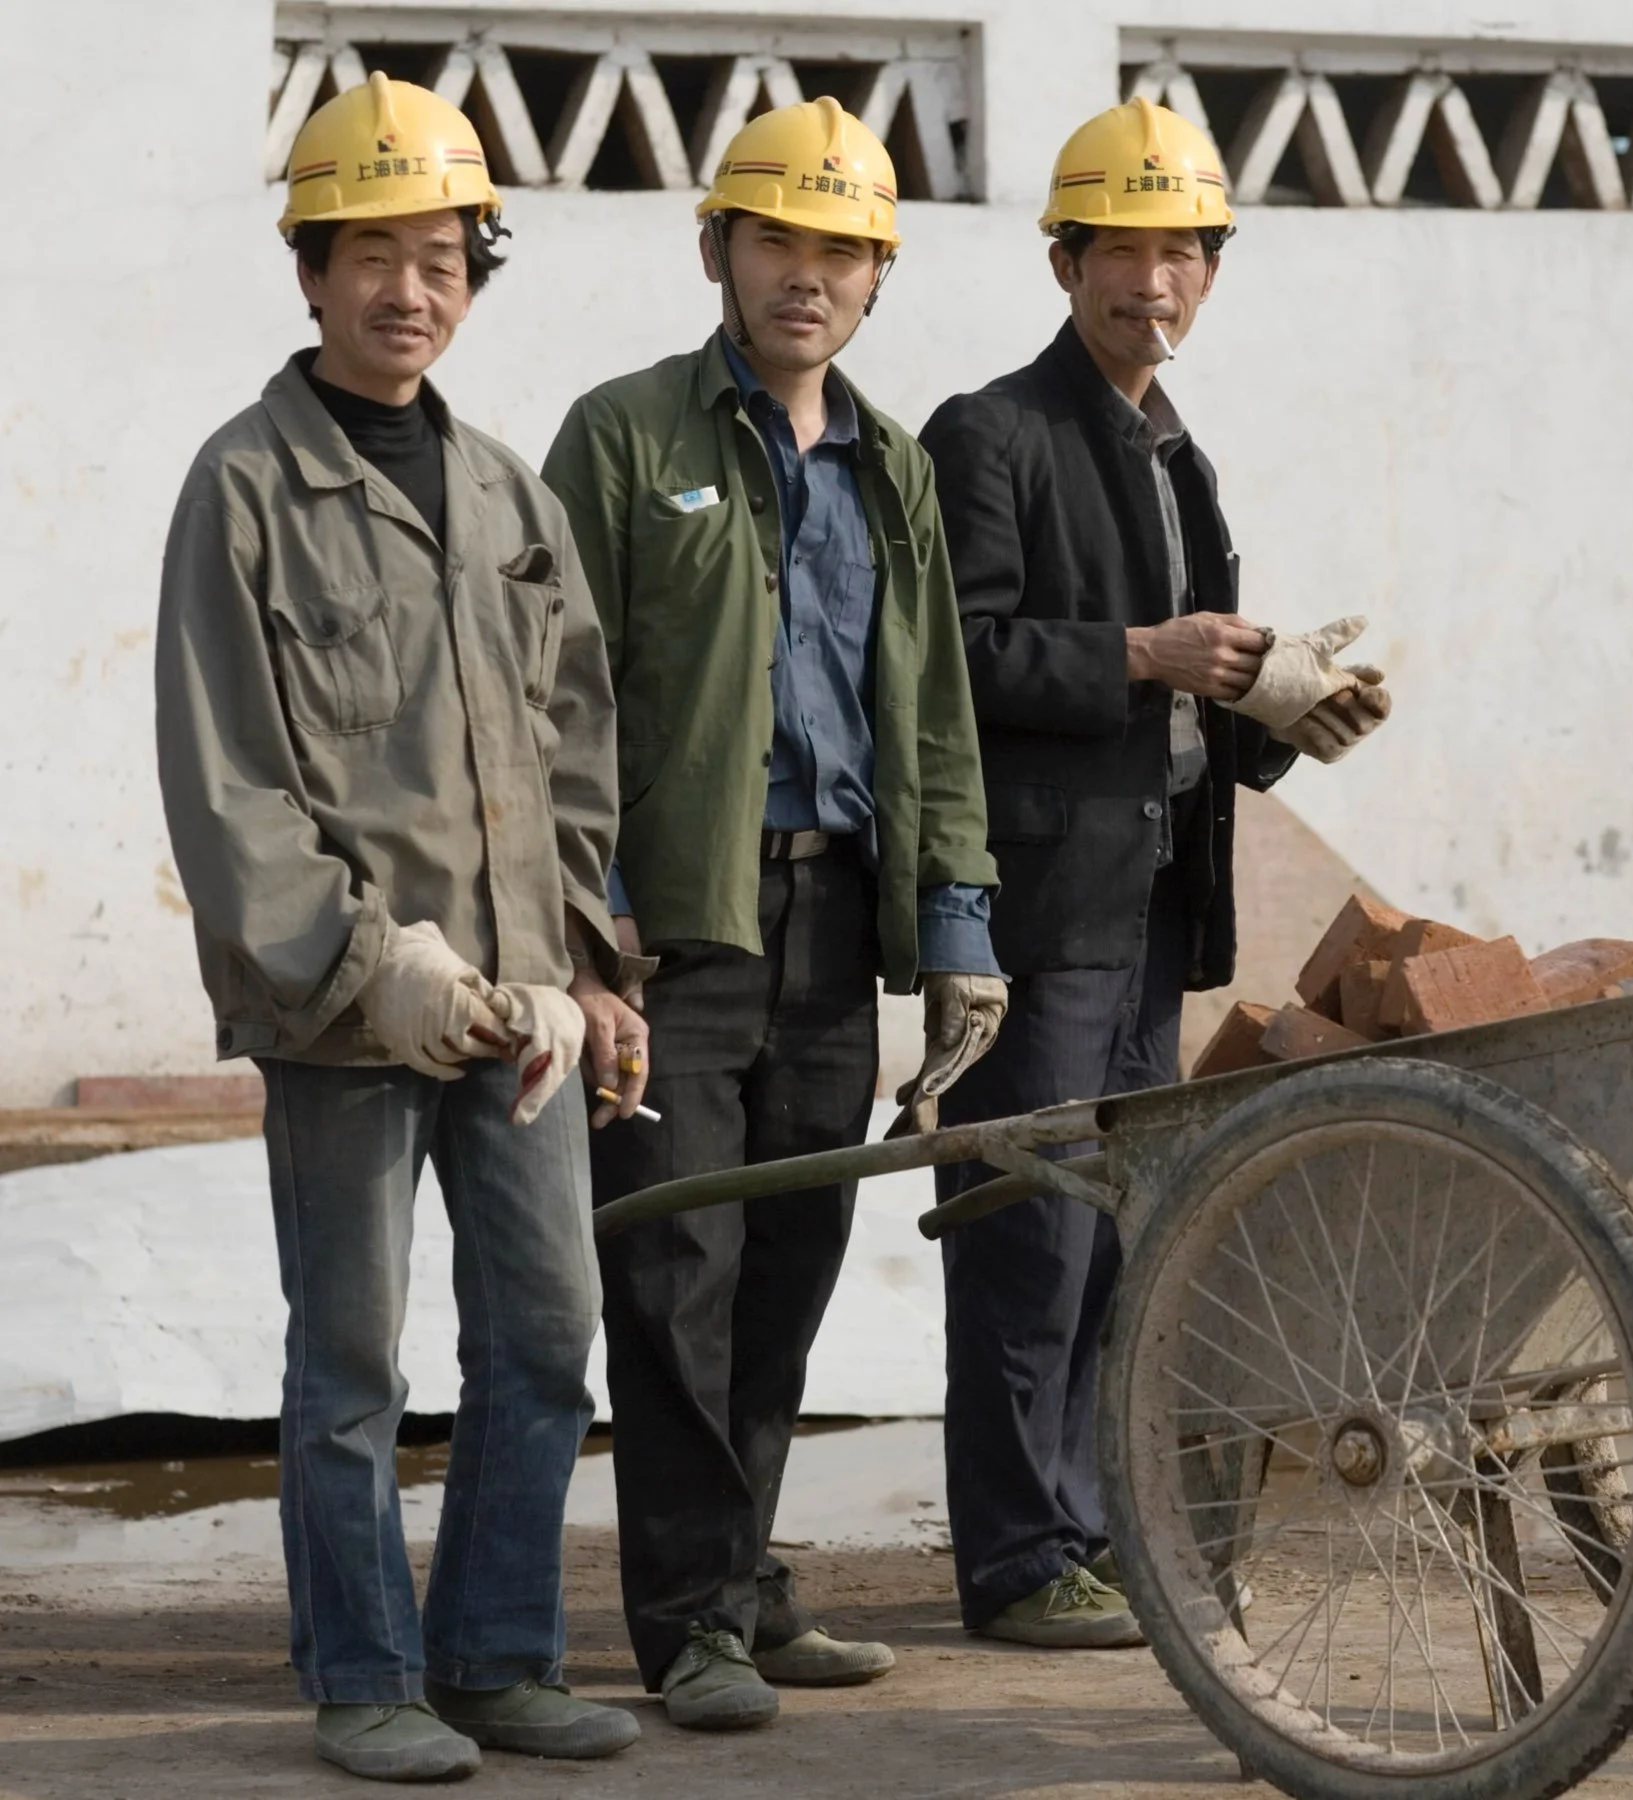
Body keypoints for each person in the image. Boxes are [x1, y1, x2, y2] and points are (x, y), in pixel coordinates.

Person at [154, 74, 647, 1781]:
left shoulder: (511, 498)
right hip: (347, 1017)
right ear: (310, 269)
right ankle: (366, 1678)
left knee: (543, 1335)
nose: (408, 290)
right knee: (352, 1359)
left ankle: (501, 1658)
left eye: (440, 257)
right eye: (372, 253)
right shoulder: (243, 490)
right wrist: (385, 964)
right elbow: (233, 789)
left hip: (517, 1011)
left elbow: (577, 744)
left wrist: (590, 964)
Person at [541, 98, 1005, 1730]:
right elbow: (557, 701)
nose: (805, 278)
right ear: (719, 251)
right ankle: (692, 1627)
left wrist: (956, 924)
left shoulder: (891, 468)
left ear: (876, 277)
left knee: (791, 1263)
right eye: (777, 242)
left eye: (839, 251)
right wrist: (593, 939)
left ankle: (738, 1586)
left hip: (835, 925)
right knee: (678, 1269)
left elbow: (934, 707)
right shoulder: (622, 439)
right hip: (680, 929)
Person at [919, 97, 1392, 1649]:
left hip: (1153, 911)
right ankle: (1013, 1559)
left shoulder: (1178, 457)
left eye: (1184, 250)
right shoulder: (990, 436)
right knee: (1026, 1235)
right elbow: (955, 664)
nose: (1156, 281)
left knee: (1124, 1241)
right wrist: (1144, 652)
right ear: (1063, 260)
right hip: (1039, 916)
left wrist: (1290, 720)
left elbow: (1191, 714)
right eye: (1123, 250)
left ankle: (1100, 1536)